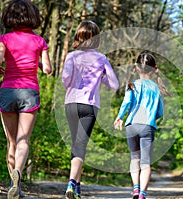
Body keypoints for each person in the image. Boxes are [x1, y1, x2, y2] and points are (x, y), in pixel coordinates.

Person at [0, 0, 52, 198]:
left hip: (8, 90)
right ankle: (18, 177)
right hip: (29, 92)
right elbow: (48, 69)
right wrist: (39, 64)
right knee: (23, 139)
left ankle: (13, 183)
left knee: (11, 142)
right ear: (33, 17)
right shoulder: (39, 41)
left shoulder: (5, 39)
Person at [62, 20, 119, 199]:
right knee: (80, 145)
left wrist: (73, 84)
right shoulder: (101, 58)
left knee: (76, 145)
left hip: (71, 103)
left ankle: (77, 187)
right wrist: (100, 77)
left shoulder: (71, 56)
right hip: (89, 105)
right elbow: (115, 84)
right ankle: (71, 183)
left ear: (78, 35)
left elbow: (65, 79)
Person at [114, 52, 169, 199]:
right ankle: (143, 194)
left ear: (137, 69)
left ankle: (136, 189)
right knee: (146, 162)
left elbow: (126, 103)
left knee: (134, 158)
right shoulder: (157, 88)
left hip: (131, 124)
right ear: (154, 69)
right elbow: (160, 113)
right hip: (147, 126)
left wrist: (119, 117)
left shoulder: (132, 84)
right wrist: (152, 117)